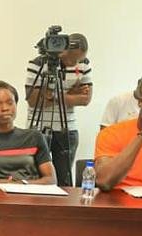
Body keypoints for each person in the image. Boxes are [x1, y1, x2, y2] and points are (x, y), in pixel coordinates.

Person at [25, 33, 92, 186]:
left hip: (67, 129)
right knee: (36, 178)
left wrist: (50, 95)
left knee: (64, 180)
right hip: (37, 128)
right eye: (73, 59)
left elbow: (85, 99)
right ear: (63, 52)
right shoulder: (38, 63)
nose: (76, 63)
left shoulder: (84, 64)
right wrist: (68, 95)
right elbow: (33, 100)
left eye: (79, 60)